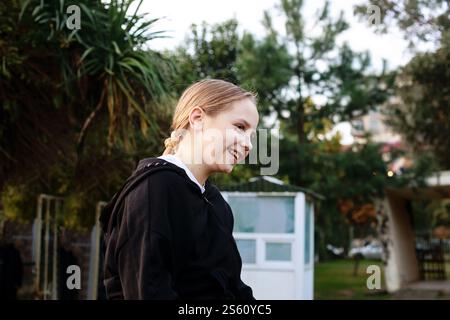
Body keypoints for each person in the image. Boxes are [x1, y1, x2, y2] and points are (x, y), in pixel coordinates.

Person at [100, 79, 259, 300]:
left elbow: (236, 289)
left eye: (251, 135)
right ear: (197, 119)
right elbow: (148, 291)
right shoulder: (154, 189)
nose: (249, 145)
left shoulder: (216, 203)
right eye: (240, 127)